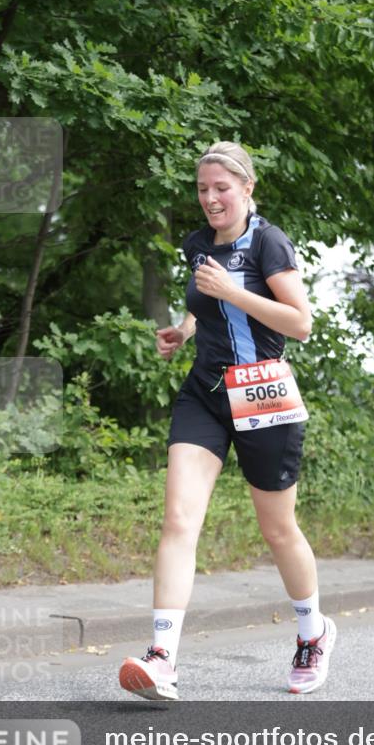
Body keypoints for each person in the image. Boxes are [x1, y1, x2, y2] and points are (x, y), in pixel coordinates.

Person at [119, 141, 336, 700]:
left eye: (221, 188)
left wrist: (234, 292)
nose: (210, 198)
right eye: (202, 189)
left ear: (247, 189)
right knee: (178, 520)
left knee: (277, 529)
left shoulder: (268, 241)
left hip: (264, 392)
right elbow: (204, 299)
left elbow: (300, 323)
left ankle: (313, 634)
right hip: (206, 394)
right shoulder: (196, 244)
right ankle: (163, 657)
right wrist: (184, 330)